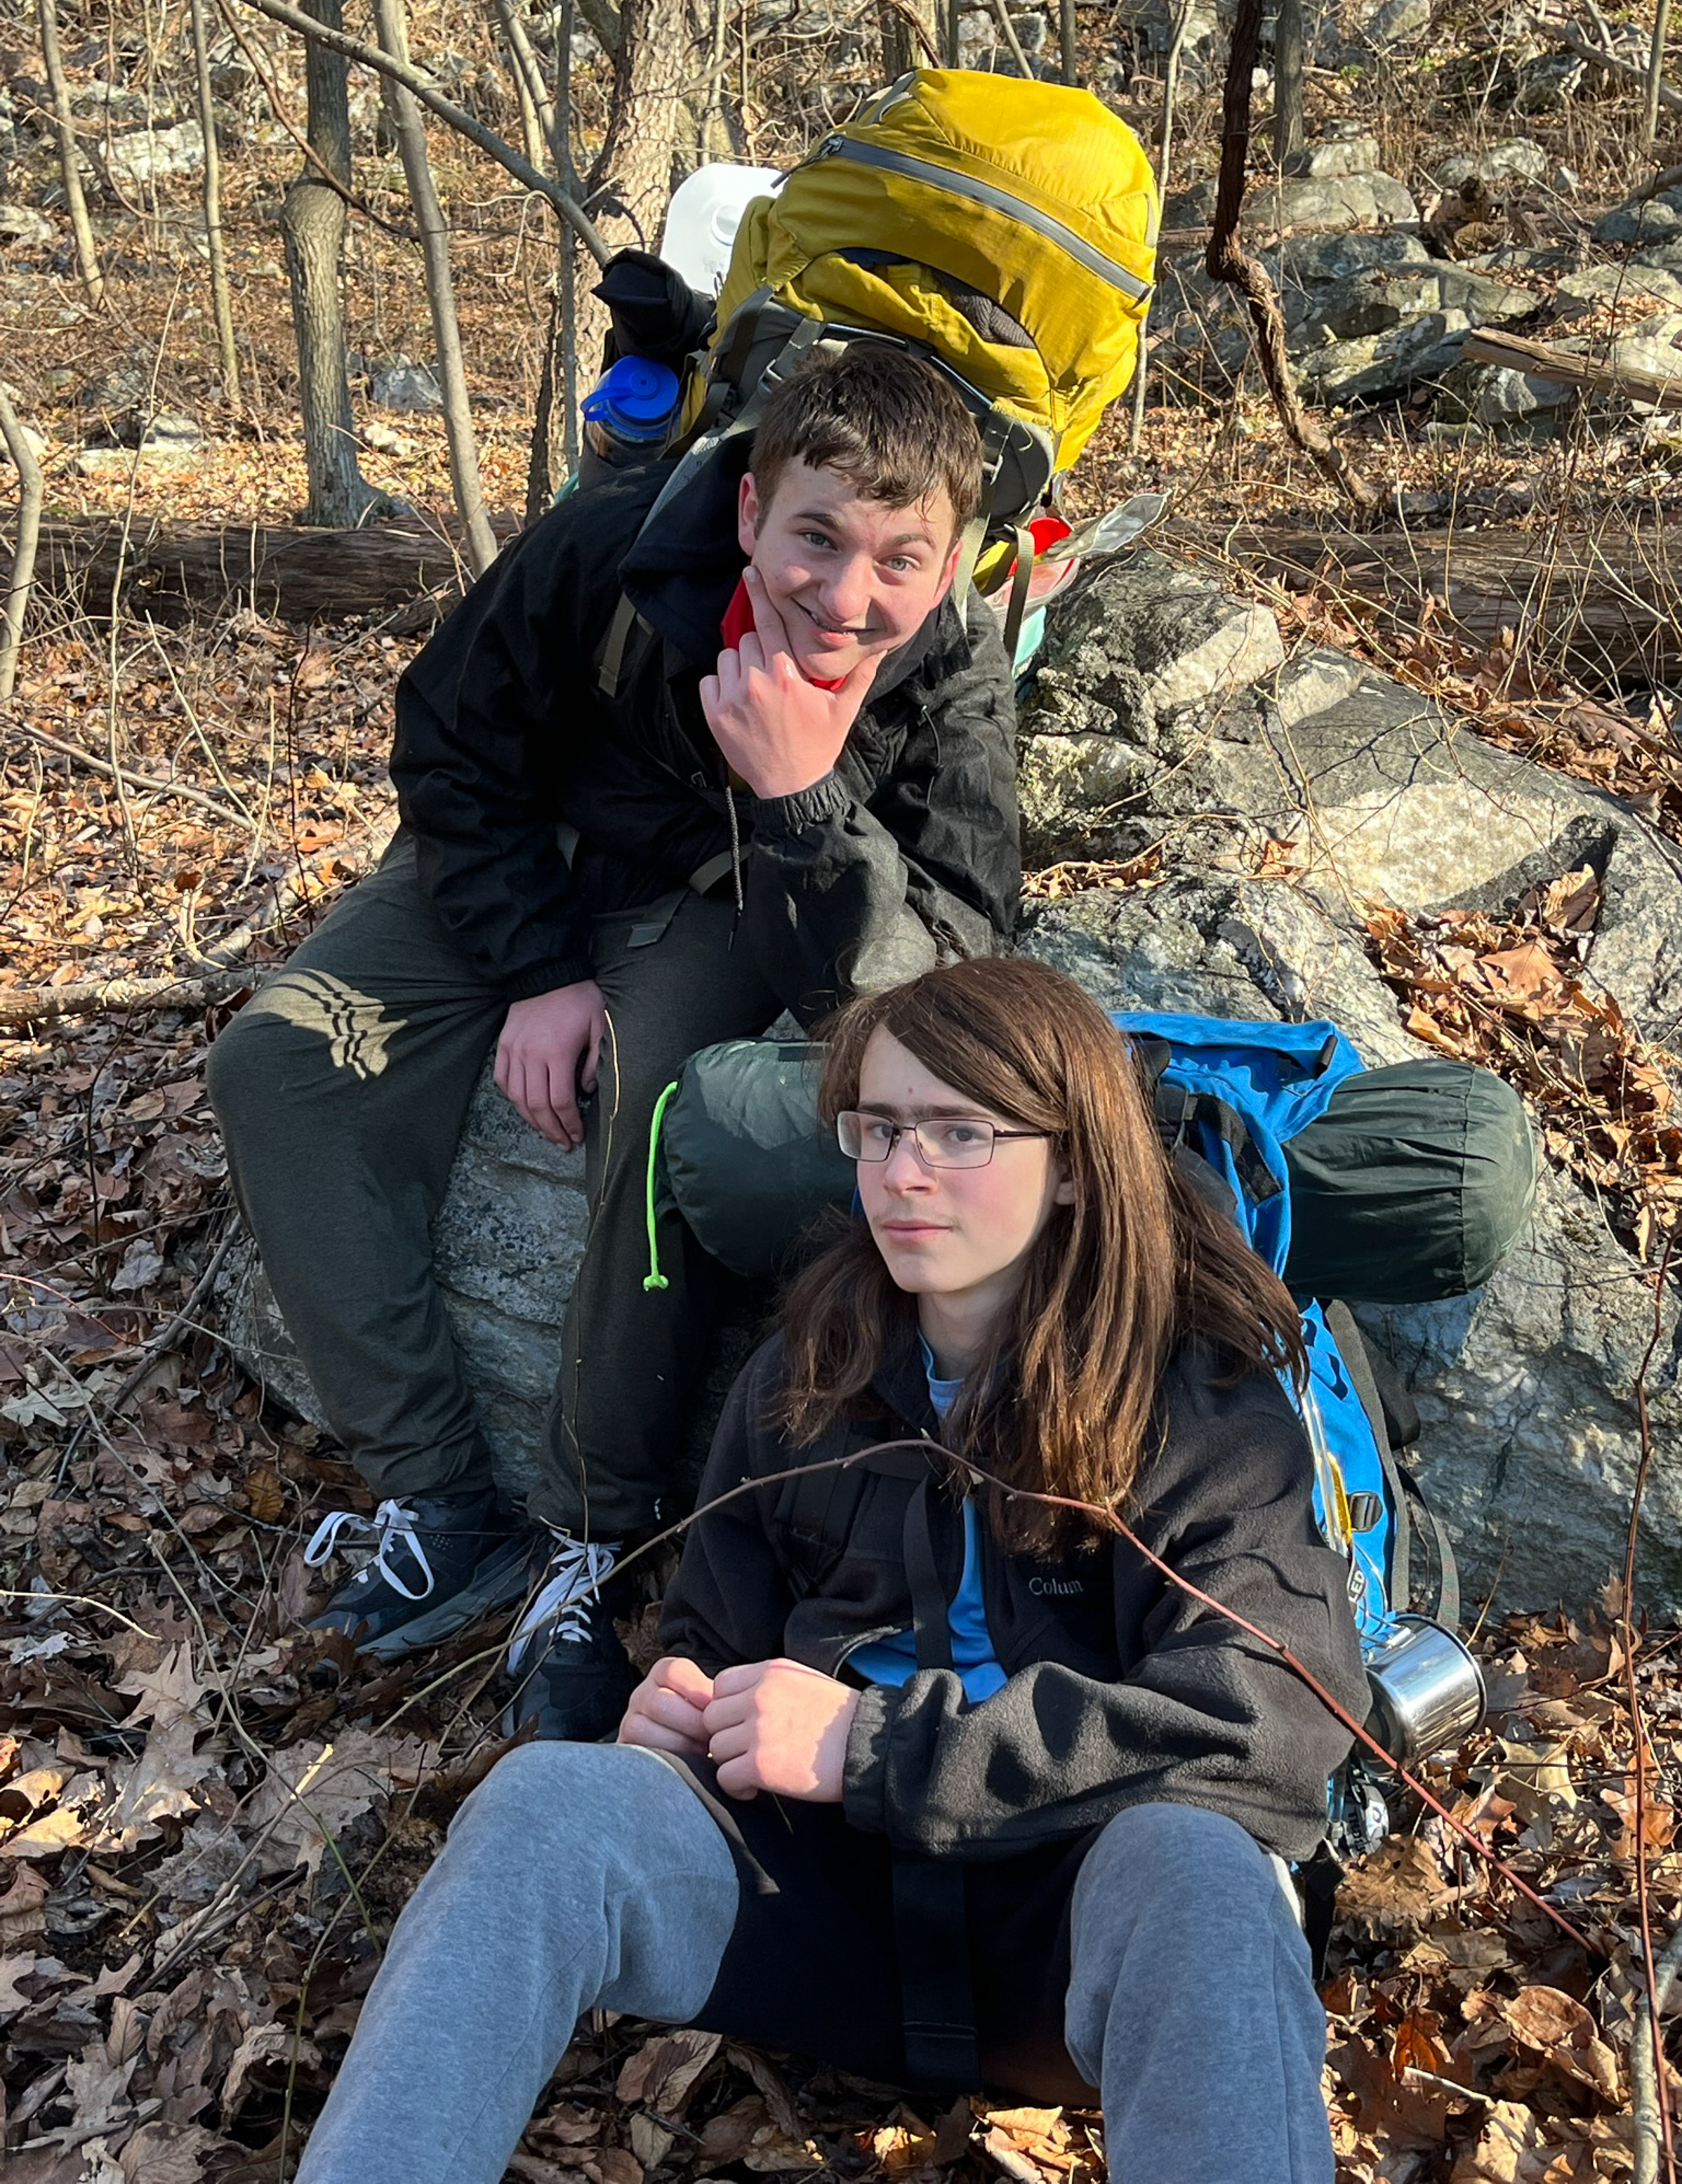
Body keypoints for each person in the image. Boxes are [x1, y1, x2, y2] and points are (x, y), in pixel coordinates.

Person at [292, 956, 1369, 2184]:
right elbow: (712, 1629)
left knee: (1196, 1867)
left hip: (1071, 1951)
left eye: (960, 1132)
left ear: (1073, 1163)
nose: (904, 1172)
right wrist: (681, 1711)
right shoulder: (809, 1366)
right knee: (548, 1801)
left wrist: (876, 1748)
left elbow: (1273, 1712)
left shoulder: (1204, 1397)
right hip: (822, 1921)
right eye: (881, 1128)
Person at [205, 346, 1018, 1740]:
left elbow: (943, 976)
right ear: (751, 507)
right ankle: (439, 1500)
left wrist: (803, 795)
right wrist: (536, 970)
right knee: (276, 1061)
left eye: (899, 561)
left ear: (947, 569)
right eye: (816, 538)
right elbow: (448, 741)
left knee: (650, 1105)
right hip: (520, 862)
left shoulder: (947, 676)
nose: (846, 596)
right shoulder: (614, 545)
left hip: (723, 896)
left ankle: (587, 1533)